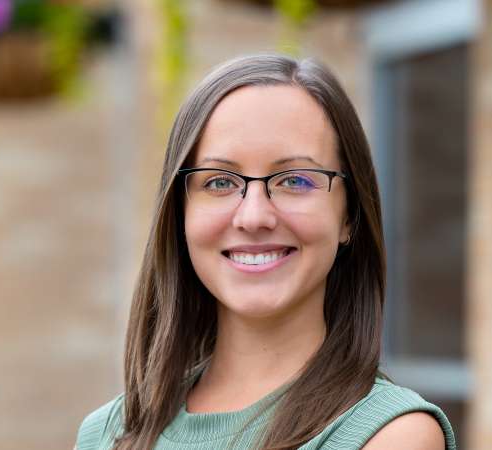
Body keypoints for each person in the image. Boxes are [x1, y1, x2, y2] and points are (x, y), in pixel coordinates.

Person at [74, 54, 456, 450]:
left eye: (295, 179)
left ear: (349, 216)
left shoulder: (389, 435)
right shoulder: (107, 434)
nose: (253, 216)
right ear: (180, 213)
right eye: (220, 182)